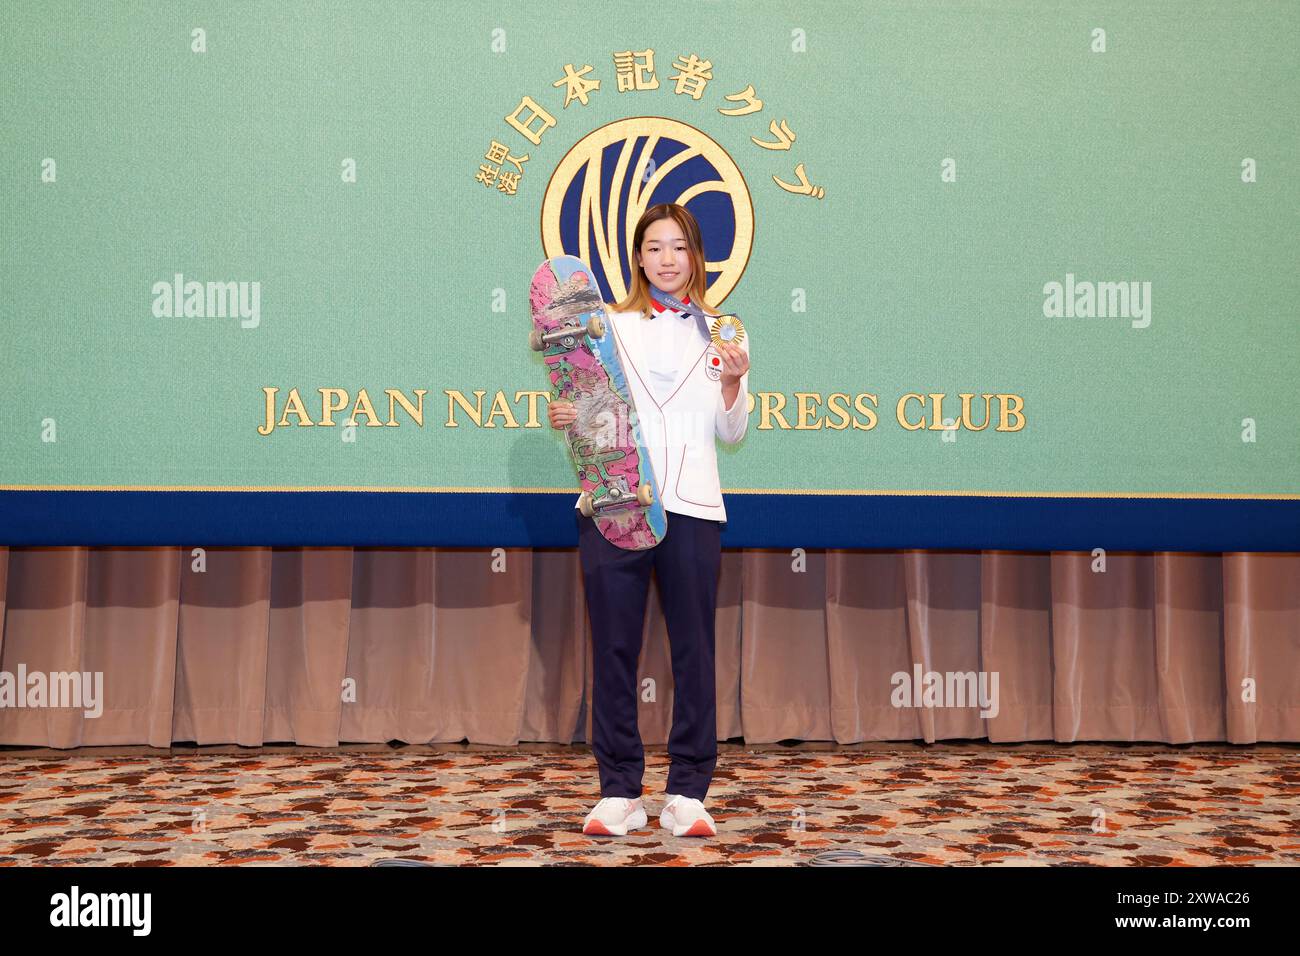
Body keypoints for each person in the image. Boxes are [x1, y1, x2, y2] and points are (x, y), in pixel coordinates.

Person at [547, 203, 751, 838]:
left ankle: (689, 790)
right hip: (616, 503)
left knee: (694, 650)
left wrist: (733, 384)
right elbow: (589, 403)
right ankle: (619, 792)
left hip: (691, 507)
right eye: (655, 247)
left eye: (680, 247)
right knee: (614, 649)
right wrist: (570, 416)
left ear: (696, 257)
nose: (668, 259)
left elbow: (733, 429)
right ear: (637, 257)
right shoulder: (606, 325)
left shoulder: (726, 331)